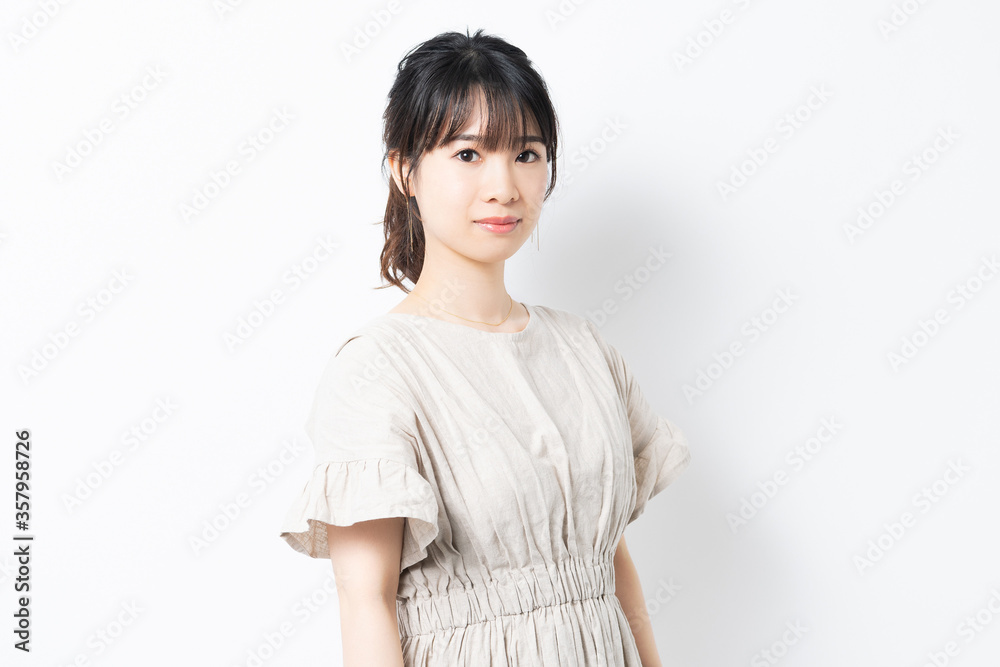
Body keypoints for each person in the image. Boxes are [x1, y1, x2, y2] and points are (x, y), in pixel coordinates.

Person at [278, 27, 692, 666]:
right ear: (405, 170)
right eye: (468, 154)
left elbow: (607, 561)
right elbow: (365, 603)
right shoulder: (377, 370)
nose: (503, 185)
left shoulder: (583, 348)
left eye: (526, 153)